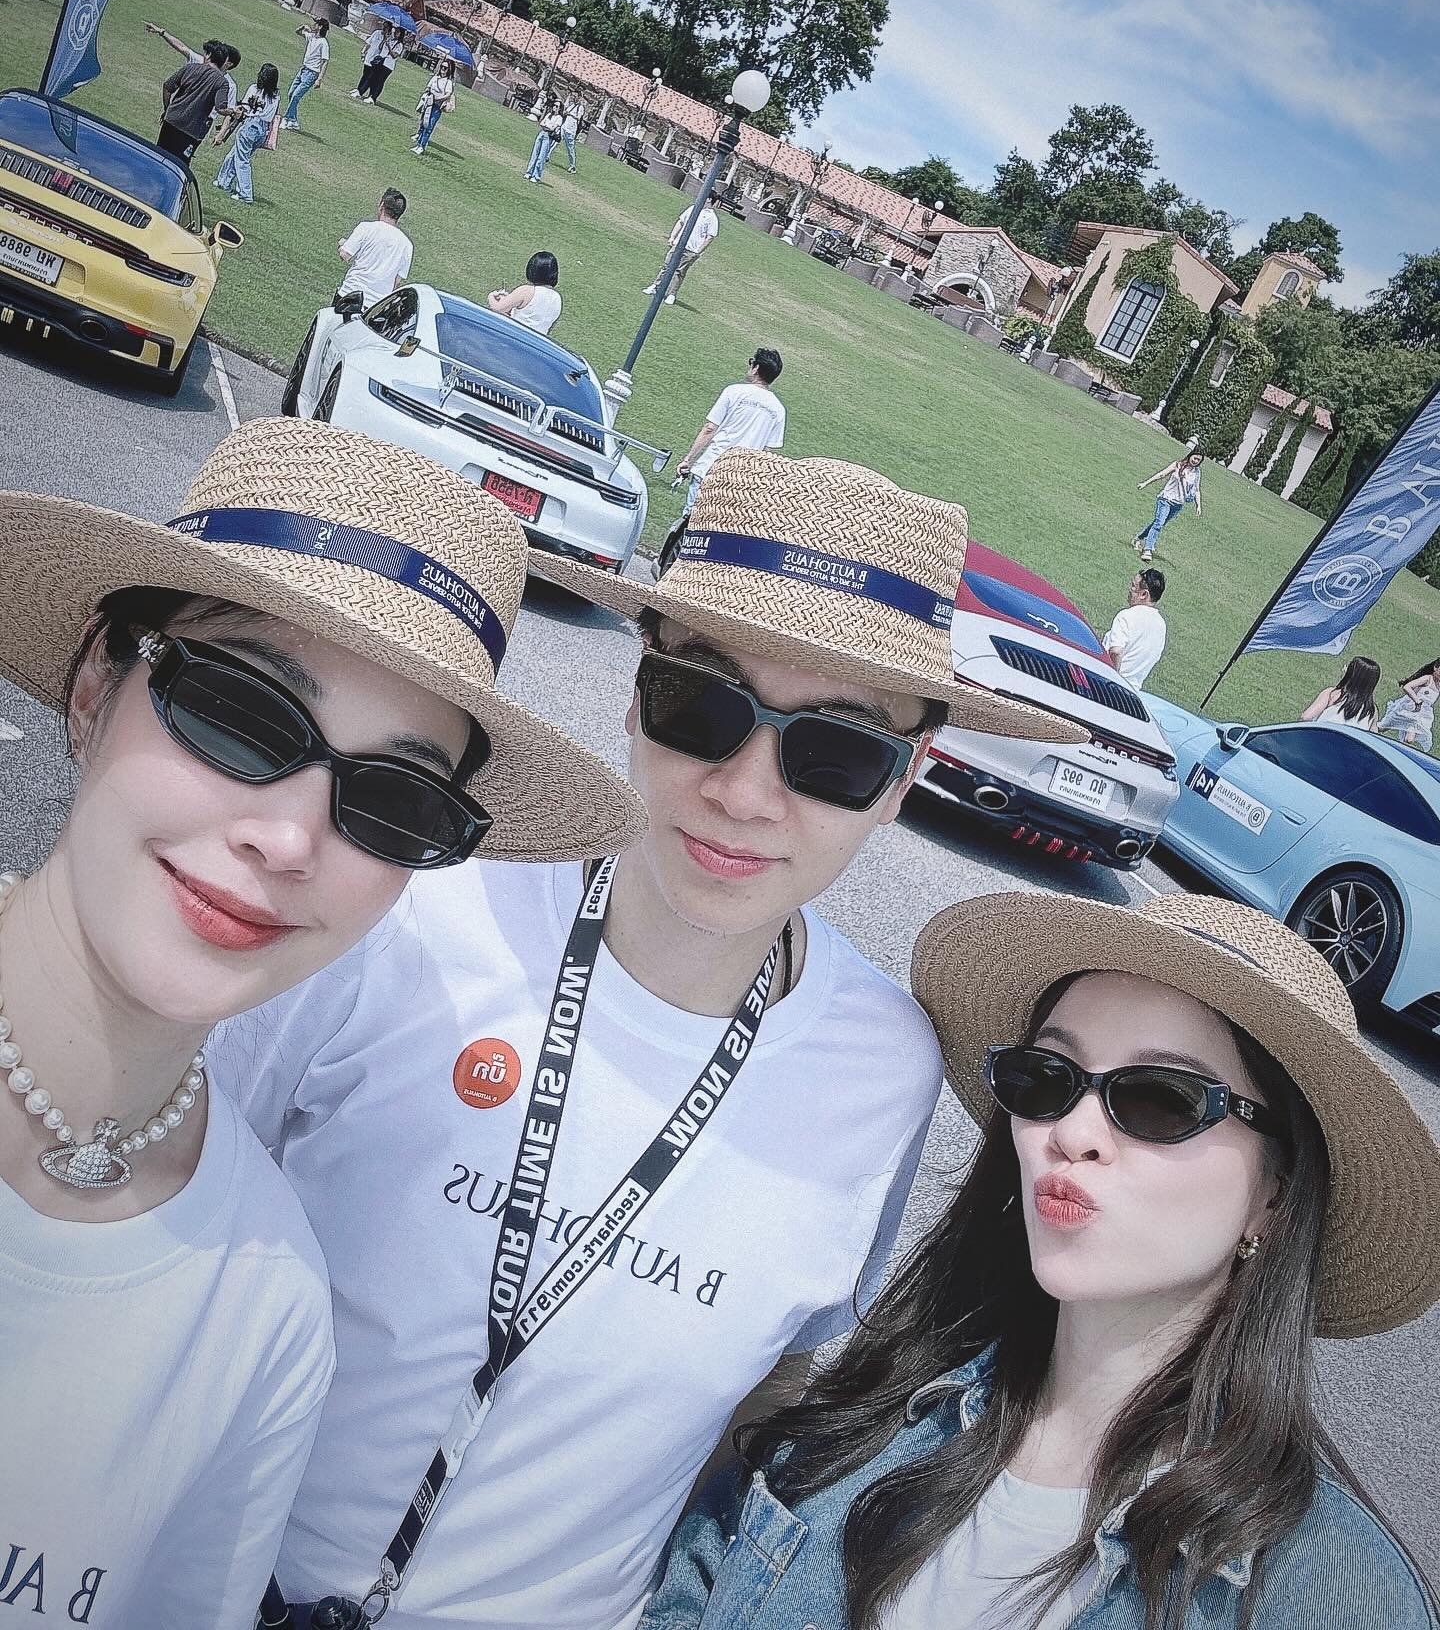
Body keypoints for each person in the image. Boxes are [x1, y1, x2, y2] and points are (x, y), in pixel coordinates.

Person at [209, 452, 1079, 1630]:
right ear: (635, 692)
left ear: (902, 782)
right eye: (700, 706)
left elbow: (777, 1376)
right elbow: (183, 1193)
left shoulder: (884, 1066)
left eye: (837, 754)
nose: (744, 793)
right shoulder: (422, 905)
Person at [0, 416, 644, 1628]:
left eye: (394, 801)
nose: (291, 838)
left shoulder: (271, 1309)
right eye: (238, 714)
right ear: (95, 686)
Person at [644, 889, 1440, 1630]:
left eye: (1160, 1098)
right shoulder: (867, 1421)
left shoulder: (1335, 1592)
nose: (1073, 1133)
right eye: (1047, 1078)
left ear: (1275, 1195)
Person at [674, 350, 786, 514]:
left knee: (691, 518)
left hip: (711, 467)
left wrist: (688, 459)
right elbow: (766, 452)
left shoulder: (734, 391)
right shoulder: (778, 409)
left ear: (756, 368)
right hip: (739, 480)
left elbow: (709, 428)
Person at [214, 62, 281, 205]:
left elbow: (244, 109)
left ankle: (245, 194)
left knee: (242, 160)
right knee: (235, 154)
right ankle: (223, 181)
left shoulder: (253, 89)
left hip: (250, 126)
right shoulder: (276, 96)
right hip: (262, 130)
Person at [158, 41, 235, 163]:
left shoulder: (190, 67)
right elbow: (220, 108)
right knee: (180, 163)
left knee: (159, 155)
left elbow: (167, 87)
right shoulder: (222, 82)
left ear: (209, 56)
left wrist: (167, 109)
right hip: (191, 129)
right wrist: (233, 112)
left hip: (172, 120)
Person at [338, 188, 413, 309]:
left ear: (382, 206)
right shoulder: (407, 245)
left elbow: (345, 255)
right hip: (376, 306)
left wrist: (343, 244)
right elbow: (397, 281)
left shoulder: (366, 228)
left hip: (349, 295)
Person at [1134, 445, 1203, 559]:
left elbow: (1196, 490)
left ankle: (1138, 538)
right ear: (1190, 456)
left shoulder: (1197, 472)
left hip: (1178, 505)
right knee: (1158, 524)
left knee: (1158, 524)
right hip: (1165, 499)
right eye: (1195, 458)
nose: (1195, 461)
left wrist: (1198, 506)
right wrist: (1145, 483)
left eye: (1198, 460)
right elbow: (1162, 474)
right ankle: (1147, 550)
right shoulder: (1177, 465)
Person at [1102, 567, 1166, 689]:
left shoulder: (1126, 616)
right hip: (1132, 692)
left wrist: (1112, 680)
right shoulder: (1161, 626)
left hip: (1108, 686)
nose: (1130, 590)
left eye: (1133, 586)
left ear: (1144, 594)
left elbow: (1116, 651)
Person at [644, 202, 719, 305]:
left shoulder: (711, 217)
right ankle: (655, 286)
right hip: (678, 244)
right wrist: (672, 237)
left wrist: (698, 251)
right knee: (667, 266)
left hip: (691, 249)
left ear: (709, 199)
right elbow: (681, 221)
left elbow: (710, 236)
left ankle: (671, 294)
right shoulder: (693, 208)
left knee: (680, 271)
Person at [488, 250, 562, 336]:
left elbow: (497, 308)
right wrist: (511, 307)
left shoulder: (526, 291)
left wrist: (491, 296)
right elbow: (534, 321)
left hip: (514, 337)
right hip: (534, 342)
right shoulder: (557, 299)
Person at [1377, 657, 1440, 752]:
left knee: (1409, 739)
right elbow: (1407, 687)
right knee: (1383, 727)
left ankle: (1399, 752)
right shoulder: (1428, 679)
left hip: (1421, 714)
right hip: (1408, 709)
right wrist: (1417, 700)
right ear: (1436, 667)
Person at [1302, 656, 1381, 730]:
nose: (1344, 669)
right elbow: (1372, 736)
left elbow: (1306, 717)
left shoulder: (1332, 694)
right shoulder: (1372, 711)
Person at [280, 17, 331, 130]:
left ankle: (286, 118)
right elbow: (298, 32)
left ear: (320, 27)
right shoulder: (311, 37)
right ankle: (293, 120)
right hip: (303, 70)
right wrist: (303, 27)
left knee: (296, 95)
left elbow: (325, 61)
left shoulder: (323, 43)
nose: (313, 25)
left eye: (316, 23)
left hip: (312, 73)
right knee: (291, 93)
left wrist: (319, 79)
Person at [353, 20, 406, 104]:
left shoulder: (400, 45)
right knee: (373, 78)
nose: (396, 33)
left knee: (380, 81)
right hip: (381, 62)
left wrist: (389, 46)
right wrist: (385, 40)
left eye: (398, 32)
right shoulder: (390, 39)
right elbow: (381, 47)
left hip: (388, 65)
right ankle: (367, 94)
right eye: (396, 31)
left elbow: (394, 55)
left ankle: (373, 97)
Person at [412, 56, 457, 155]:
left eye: (445, 68)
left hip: (437, 106)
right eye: (442, 67)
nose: (443, 69)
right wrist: (428, 93)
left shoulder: (448, 82)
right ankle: (418, 143)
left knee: (429, 126)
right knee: (424, 122)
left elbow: (448, 94)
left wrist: (437, 98)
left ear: (449, 70)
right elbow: (428, 87)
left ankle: (422, 146)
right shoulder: (435, 78)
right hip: (429, 103)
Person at [525, 101, 564, 181]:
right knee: (535, 153)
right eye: (554, 105)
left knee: (541, 156)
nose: (554, 107)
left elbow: (553, 128)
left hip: (548, 136)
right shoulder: (549, 115)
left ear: (559, 109)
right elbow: (542, 123)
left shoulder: (559, 118)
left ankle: (536, 176)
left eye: (556, 106)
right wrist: (547, 126)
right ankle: (529, 172)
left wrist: (547, 126)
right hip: (542, 133)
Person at [560, 97, 581, 172]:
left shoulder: (580, 107)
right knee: (555, 140)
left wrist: (571, 114)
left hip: (571, 130)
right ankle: (546, 156)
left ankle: (572, 165)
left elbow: (578, 117)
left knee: (570, 148)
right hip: (564, 127)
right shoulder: (571, 105)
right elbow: (564, 113)